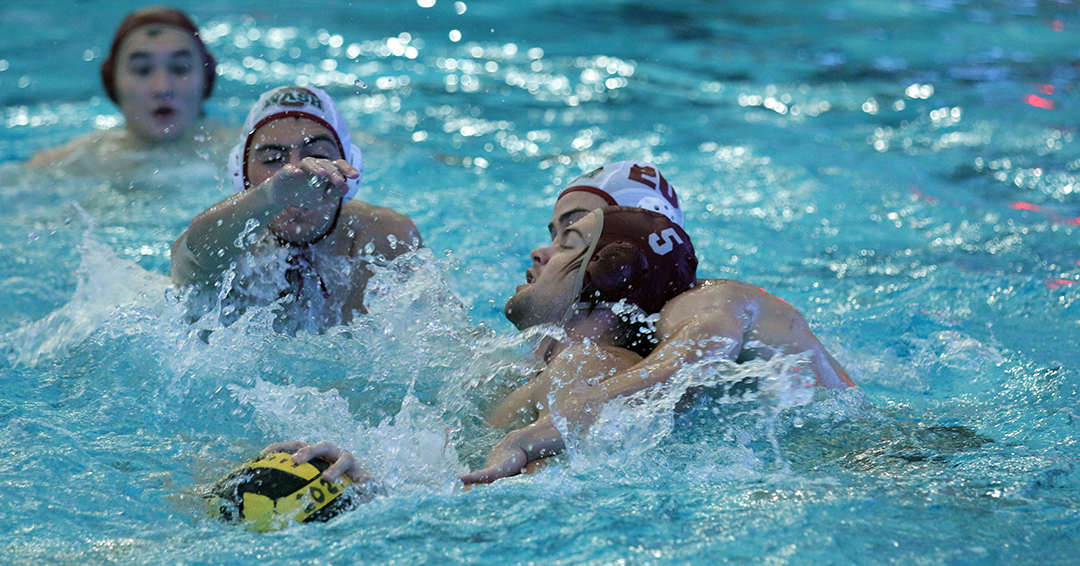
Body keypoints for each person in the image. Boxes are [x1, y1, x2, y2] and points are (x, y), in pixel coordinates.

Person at [460, 161, 853, 484]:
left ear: (616, 265)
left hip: (852, 461)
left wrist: (534, 436)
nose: (540, 250)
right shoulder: (568, 360)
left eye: (570, 236)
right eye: (554, 233)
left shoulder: (702, 302)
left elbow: (704, 348)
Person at [267, 207, 698, 489]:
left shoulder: (593, 359)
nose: (540, 252)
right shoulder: (528, 368)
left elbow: (533, 484)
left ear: (602, 283)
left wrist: (373, 487)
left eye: (568, 245)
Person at [170, 86, 421, 333]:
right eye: (272, 160)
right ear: (241, 175)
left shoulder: (385, 238)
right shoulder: (224, 240)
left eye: (317, 154)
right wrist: (269, 195)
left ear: (349, 166)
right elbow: (192, 255)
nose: (296, 172)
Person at [28, 7, 227, 171]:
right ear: (111, 82)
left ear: (206, 79)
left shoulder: (242, 155)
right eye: (142, 71)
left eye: (179, 69)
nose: (162, 88)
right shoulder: (64, 165)